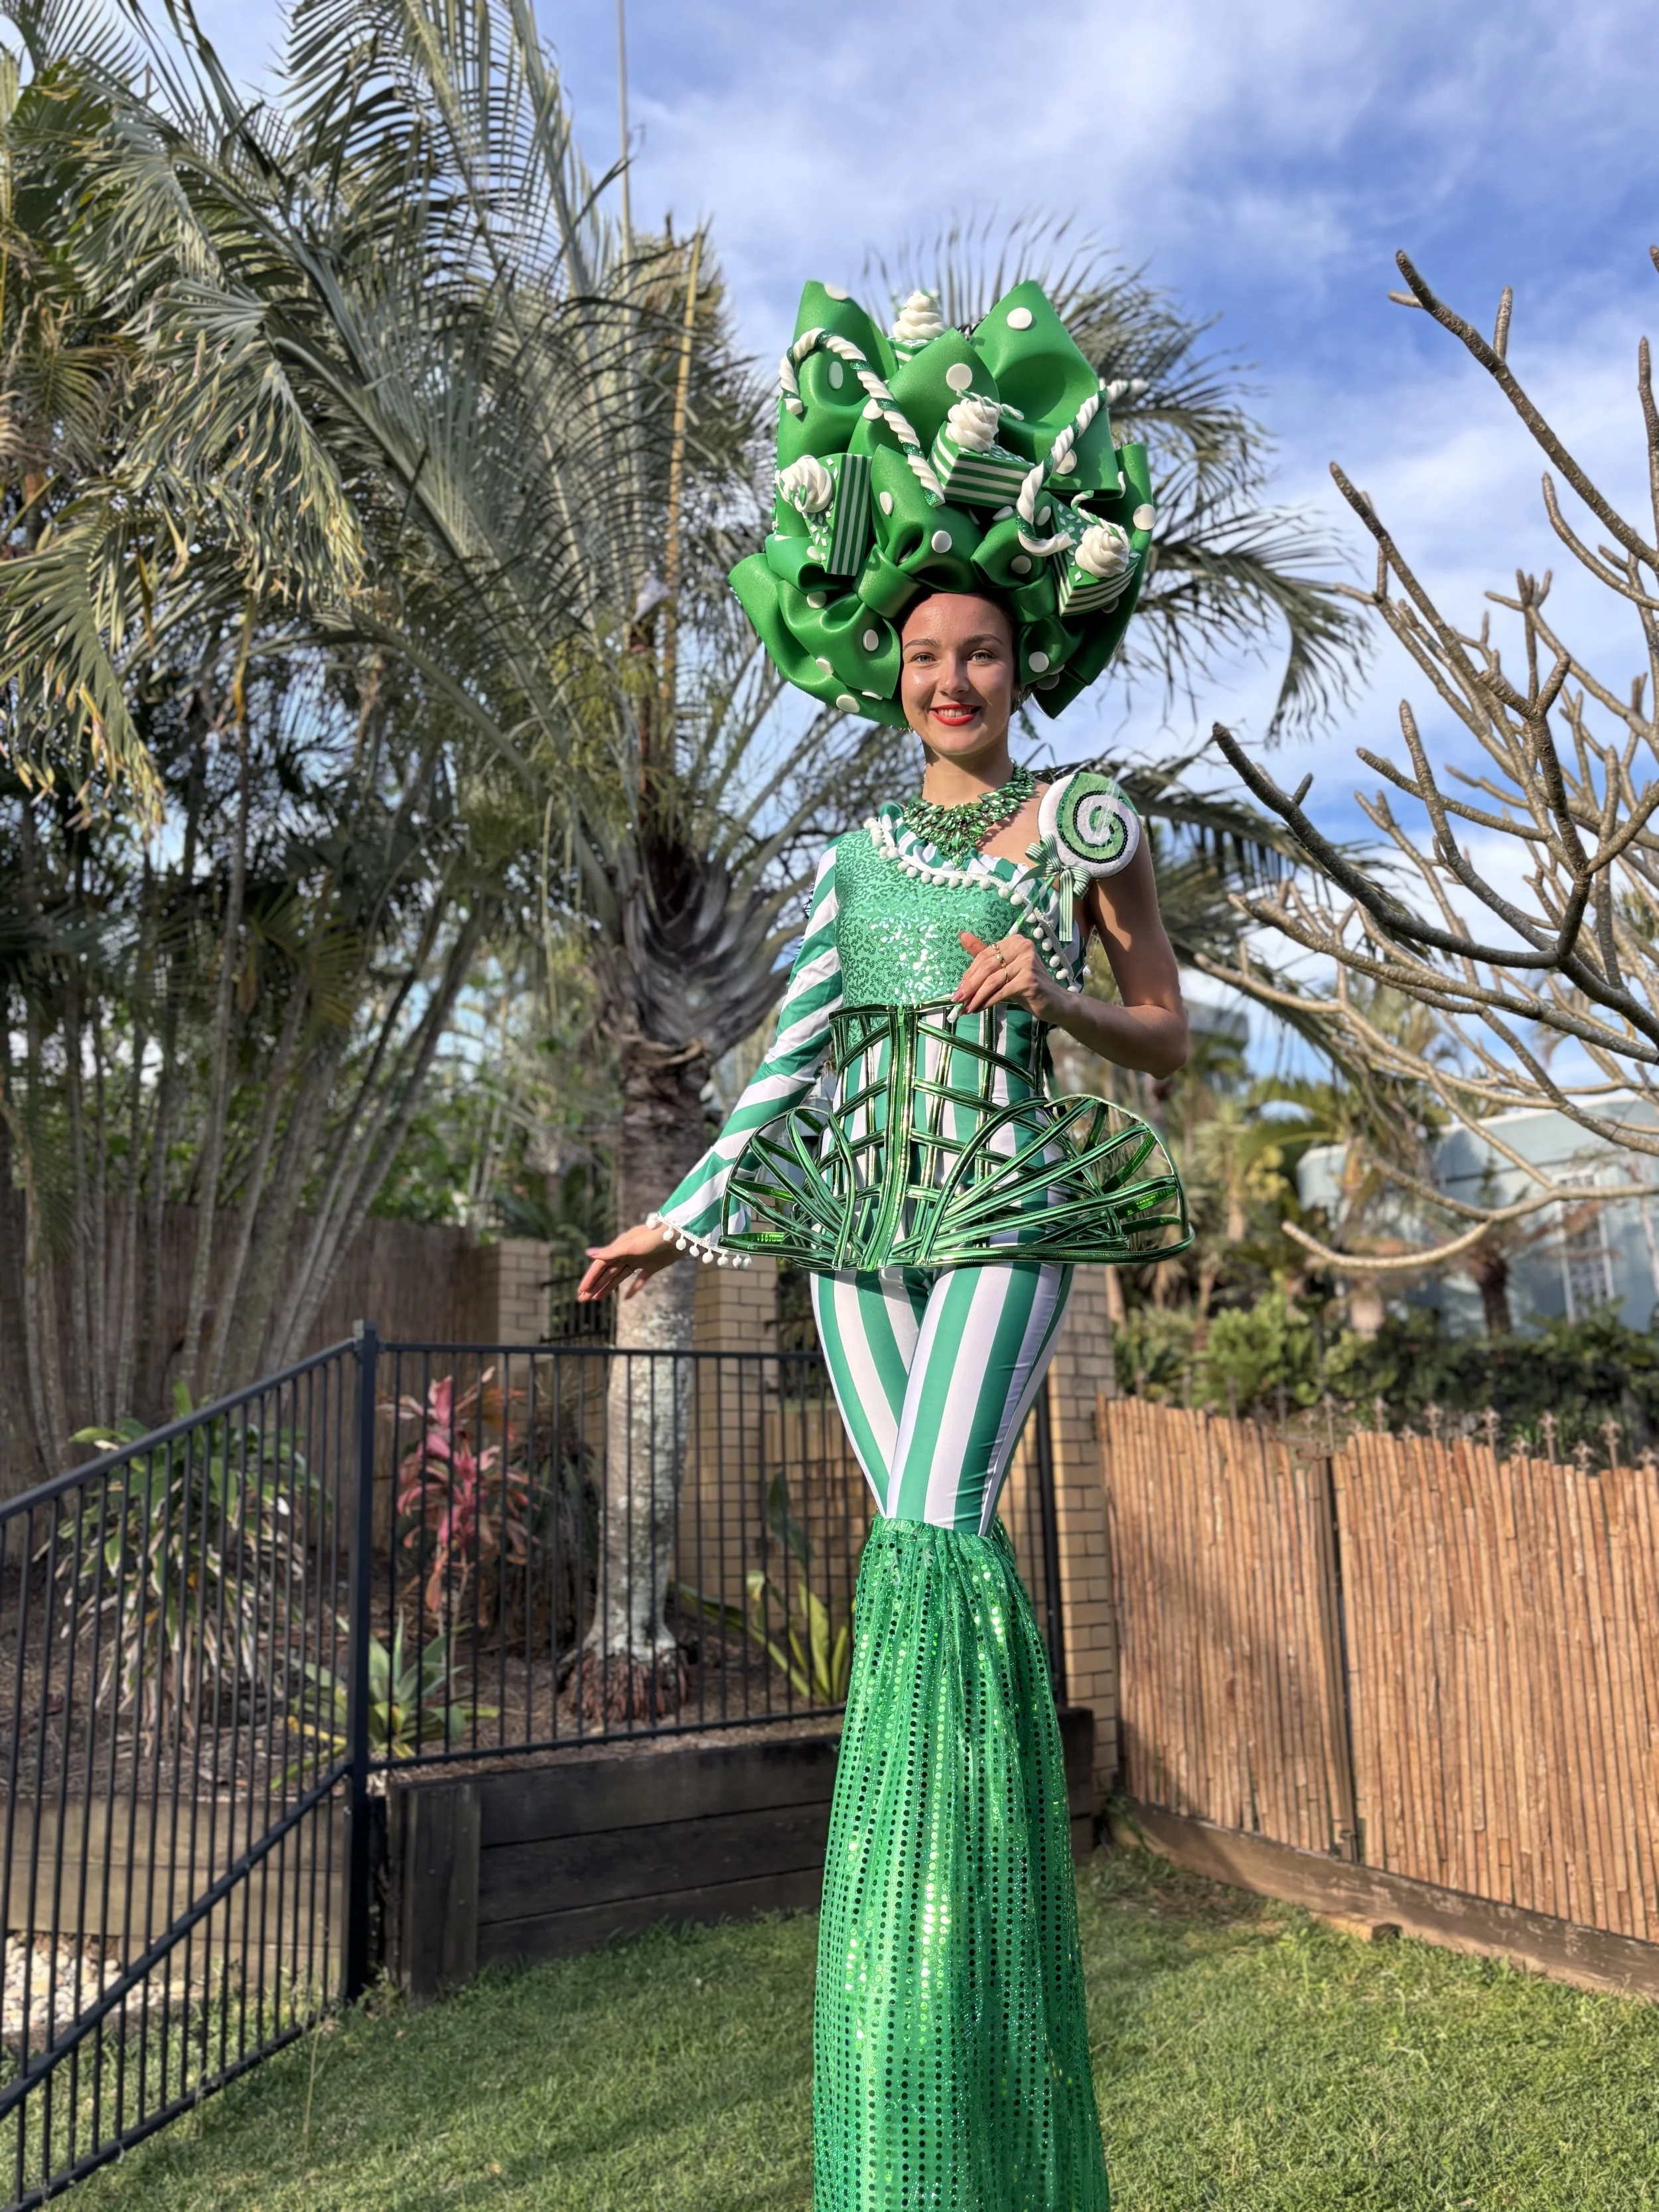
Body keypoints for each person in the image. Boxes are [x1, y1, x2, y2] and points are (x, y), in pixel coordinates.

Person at [580, 279, 1190, 2212]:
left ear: (1025, 669)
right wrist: (679, 1217)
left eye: (983, 655)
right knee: (908, 1576)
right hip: (855, 1235)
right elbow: (790, 1055)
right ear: (889, 670)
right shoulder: (851, 862)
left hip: (1008, 1210)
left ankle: (945, 2062)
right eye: (926, 655)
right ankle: (898, 2057)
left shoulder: (1079, 826)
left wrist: (1063, 995)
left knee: (935, 1552)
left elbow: (1168, 1029)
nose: (952, 681)